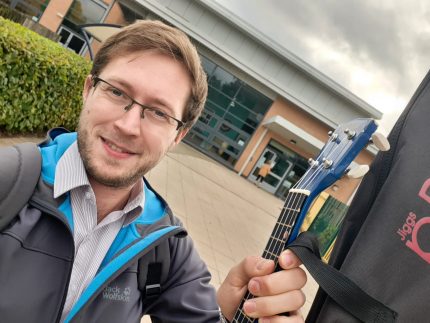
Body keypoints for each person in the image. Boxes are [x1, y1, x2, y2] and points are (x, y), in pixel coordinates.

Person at [0, 20, 306, 322]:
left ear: (178, 135)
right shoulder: (9, 181)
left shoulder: (167, 247)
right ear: (89, 89)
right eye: (117, 92)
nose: (128, 125)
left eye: (158, 112)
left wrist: (229, 312)